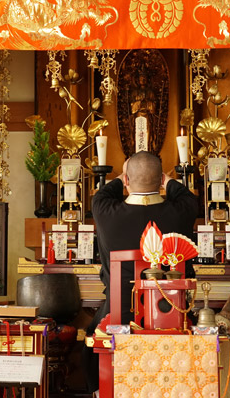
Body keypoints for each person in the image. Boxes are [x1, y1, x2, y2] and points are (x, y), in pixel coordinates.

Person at [84, 151, 198, 391]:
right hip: (172, 317)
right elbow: (185, 194)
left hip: (118, 316)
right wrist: (167, 179)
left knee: (90, 333)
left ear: (126, 181)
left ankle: (101, 389)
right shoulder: (184, 210)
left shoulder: (104, 210)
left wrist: (123, 173)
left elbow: (105, 191)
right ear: (160, 182)